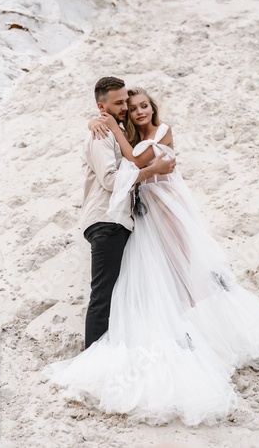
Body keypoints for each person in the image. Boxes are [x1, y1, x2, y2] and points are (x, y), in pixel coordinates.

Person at [43, 87, 259, 427]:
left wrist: (112, 128)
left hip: (166, 208)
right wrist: (100, 123)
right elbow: (126, 159)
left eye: (144, 105)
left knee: (182, 272)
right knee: (148, 277)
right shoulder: (124, 134)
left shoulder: (161, 131)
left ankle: (194, 335)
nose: (139, 111)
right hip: (141, 215)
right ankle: (157, 338)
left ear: (152, 107)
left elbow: (137, 161)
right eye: (132, 108)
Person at [81, 78, 176, 349]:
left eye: (127, 102)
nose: (126, 108)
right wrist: (151, 171)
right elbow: (111, 180)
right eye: (119, 103)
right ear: (102, 106)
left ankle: (112, 352)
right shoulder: (100, 134)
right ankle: (93, 358)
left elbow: (132, 155)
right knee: (103, 295)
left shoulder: (116, 133)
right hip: (106, 220)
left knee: (119, 292)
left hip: (120, 220)